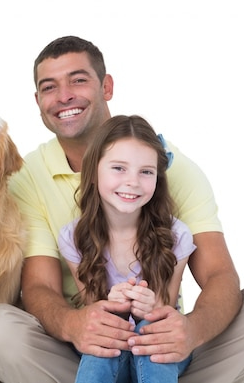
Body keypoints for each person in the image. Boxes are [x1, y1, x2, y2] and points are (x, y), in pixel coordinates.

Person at [0, 35, 244, 383]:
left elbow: (219, 274)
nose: (64, 95)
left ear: (107, 86)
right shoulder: (28, 177)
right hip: (83, 351)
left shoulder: (171, 168)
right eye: (50, 87)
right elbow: (39, 287)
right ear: (38, 101)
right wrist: (76, 325)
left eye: (78, 80)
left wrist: (191, 331)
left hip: (162, 345)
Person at [59, 114, 195, 382]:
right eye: (119, 168)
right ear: (94, 172)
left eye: (145, 171)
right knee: (104, 341)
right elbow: (92, 311)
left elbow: (167, 308)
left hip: (160, 350)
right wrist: (115, 307)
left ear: (157, 179)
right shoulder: (74, 237)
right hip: (110, 347)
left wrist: (150, 307)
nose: (132, 181)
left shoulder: (176, 235)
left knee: (151, 331)